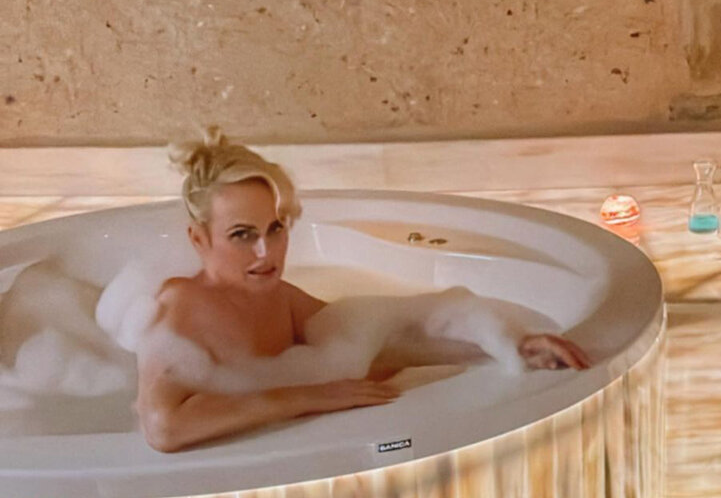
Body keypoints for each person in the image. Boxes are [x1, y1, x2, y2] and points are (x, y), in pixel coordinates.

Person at [136, 129, 589, 453]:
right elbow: (163, 427)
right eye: (241, 235)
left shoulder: (277, 296)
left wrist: (507, 346)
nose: (265, 251)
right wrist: (306, 398)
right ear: (199, 239)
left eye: (275, 229)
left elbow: (380, 344)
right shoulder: (182, 309)